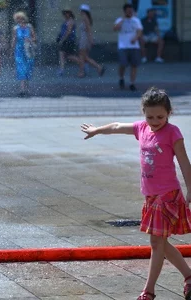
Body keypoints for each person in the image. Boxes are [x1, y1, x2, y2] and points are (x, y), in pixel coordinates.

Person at [81, 86, 191, 300]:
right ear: (143, 113)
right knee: (162, 243)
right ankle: (188, 276)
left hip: (167, 195)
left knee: (156, 243)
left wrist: (190, 188)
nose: (155, 120)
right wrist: (97, 130)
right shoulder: (142, 128)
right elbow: (116, 126)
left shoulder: (172, 132)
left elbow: (184, 162)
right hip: (150, 195)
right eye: (150, 116)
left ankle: (148, 292)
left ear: (169, 113)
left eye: (160, 116)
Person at [113, 3, 143, 92]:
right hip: (123, 46)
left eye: (131, 11)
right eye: (128, 11)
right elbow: (115, 28)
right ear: (124, 11)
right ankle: (121, 78)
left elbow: (140, 31)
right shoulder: (119, 20)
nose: (130, 12)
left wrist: (136, 38)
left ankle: (132, 83)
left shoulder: (136, 20)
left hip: (134, 46)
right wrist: (123, 19)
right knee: (123, 64)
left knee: (134, 65)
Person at [75, 4, 106, 78]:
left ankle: (83, 72)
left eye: (81, 10)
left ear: (83, 11)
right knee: (84, 57)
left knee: (82, 57)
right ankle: (98, 68)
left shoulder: (85, 17)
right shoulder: (86, 17)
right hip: (84, 39)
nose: (80, 11)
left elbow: (89, 30)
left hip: (84, 40)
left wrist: (91, 40)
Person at [11, 11, 37, 97]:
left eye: (21, 18)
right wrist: (12, 50)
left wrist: (29, 39)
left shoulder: (29, 27)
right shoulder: (15, 28)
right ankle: (22, 89)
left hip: (28, 51)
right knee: (21, 69)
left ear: (24, 18)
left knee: (28, 69)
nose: (19, 20)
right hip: (19, 51)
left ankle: (27, 88)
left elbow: (34, 38)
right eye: (17, 19)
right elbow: (14, 40)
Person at [56, 7, 78, 76]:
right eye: (64, 13)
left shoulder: (70, 21)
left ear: (70, 14)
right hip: (66, 41)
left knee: (68, 56)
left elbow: (68, 32)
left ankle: (82, 62)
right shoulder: (67, 21)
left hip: (68, 41)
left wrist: (62, 40)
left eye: (67, 13)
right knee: (62, 54)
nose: (65, 14)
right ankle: (61, 70)